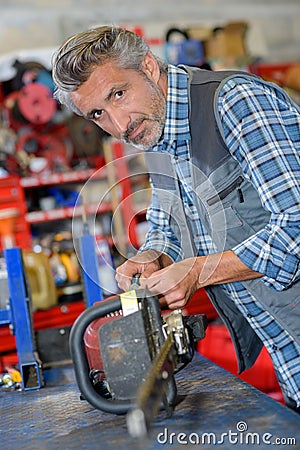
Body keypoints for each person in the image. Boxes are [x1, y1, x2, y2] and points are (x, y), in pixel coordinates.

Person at [52, 26, 300, 412]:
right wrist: (153, 257)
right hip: (287, 348)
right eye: (98, 113)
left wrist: (199, 272)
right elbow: (168, 226)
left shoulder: (235, 103)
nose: (119, 125)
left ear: (149, 67)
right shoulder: (156, 132)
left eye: (118, 94)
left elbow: (296, 224)